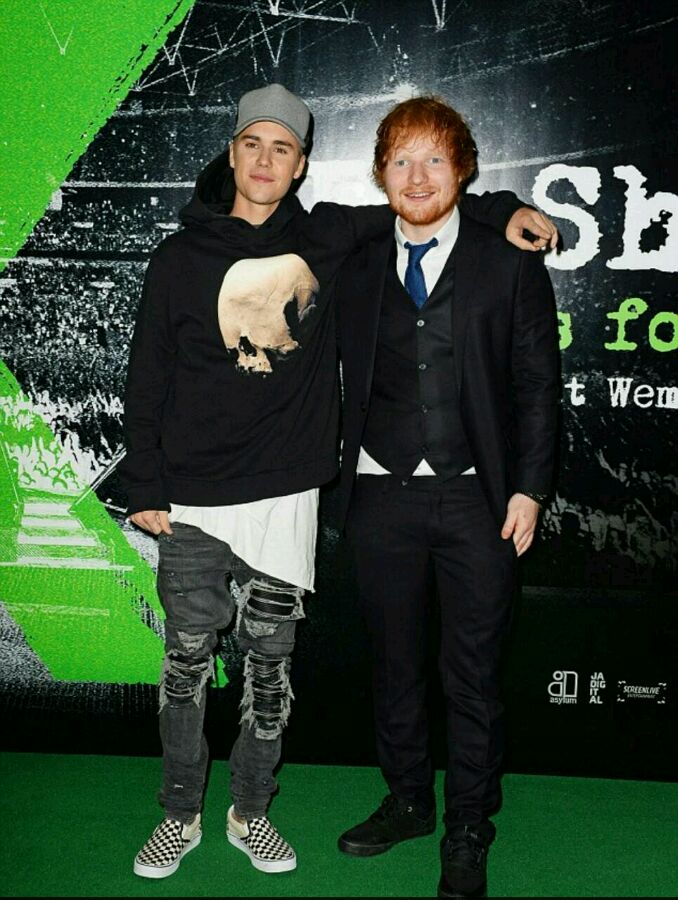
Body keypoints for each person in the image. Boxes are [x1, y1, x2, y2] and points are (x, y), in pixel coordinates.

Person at [120, 82, 557, 880]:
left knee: (318, 671)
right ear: (231, 153)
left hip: (380, 497)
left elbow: (439, 221)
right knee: (215, 667)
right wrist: (144, 480)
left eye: (282, 148)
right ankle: (203, 812)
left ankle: (429, 822)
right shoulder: (218, 256)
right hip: (270, 496)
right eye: (252, 144)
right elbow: (147, 372)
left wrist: (502, 207)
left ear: (302, 165)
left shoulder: (349, 240)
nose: (265, 161)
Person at [335, 96, 560, 898]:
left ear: (462, 168)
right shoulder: (355, 259)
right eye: (401, 161)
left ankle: (468, 823)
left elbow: (538, 386)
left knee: (472, 673)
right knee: (394, 665)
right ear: (380, 174)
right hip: (378, 495)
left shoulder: (508, 261)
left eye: (435, 159)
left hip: (478, 500)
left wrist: (529, 489)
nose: (418, 177)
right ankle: (406, 800)